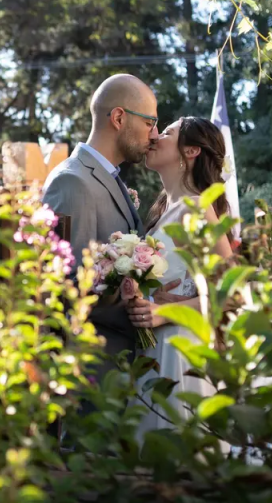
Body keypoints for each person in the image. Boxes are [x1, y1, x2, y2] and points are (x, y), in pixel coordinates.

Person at [42, 74, 174, 375]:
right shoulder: (73, 182)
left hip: (117, 365)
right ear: (118, 118)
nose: (154, 135)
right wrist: (145, 306)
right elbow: (69, 288)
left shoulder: (105, 178)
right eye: (149, 123)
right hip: (92, 369)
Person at [124, 117, 234, 438]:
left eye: (168, 132)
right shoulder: (162, 213)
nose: (155, 136)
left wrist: (163, 312)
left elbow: (230, 292)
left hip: (178, 350)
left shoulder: (197, 208)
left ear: (191, 151)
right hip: (152, 350)